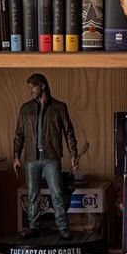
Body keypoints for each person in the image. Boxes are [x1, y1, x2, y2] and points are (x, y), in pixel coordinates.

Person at [13, 74, 79, 240]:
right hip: (31, 158)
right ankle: (33, 226)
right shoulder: (25, 108)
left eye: (33, 87)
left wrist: (73, 154)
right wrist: (16, 156)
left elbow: (68, 132)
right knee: (33, 194)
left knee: (57, 192)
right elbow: (19, 135)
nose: (31, 91)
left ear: (42, 86)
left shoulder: (59, 107)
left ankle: (62, 226)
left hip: (51, 157)